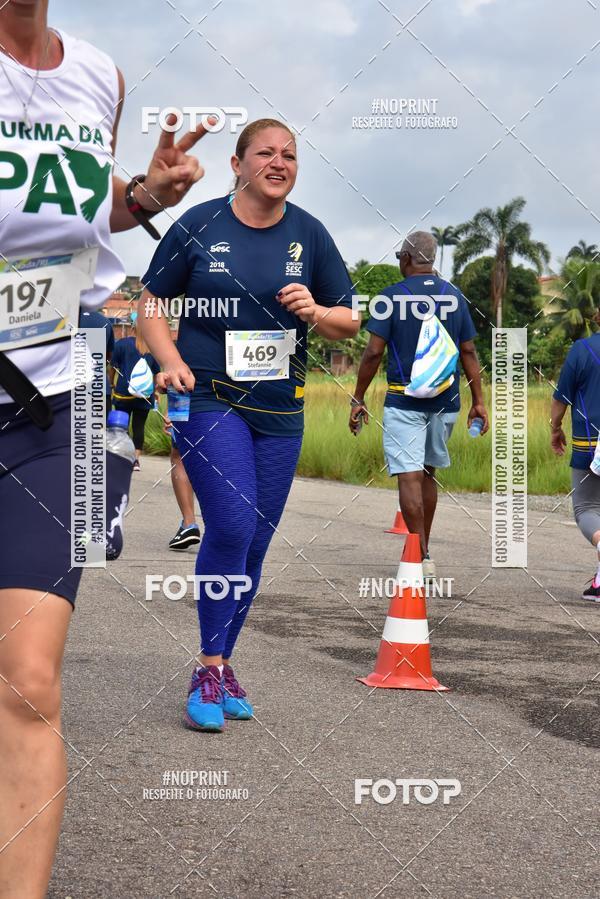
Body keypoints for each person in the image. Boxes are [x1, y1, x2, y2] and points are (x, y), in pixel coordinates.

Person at [0, 3, 210, 895]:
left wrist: (142, 198)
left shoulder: (98, 74)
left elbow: (89, 230)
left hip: (60, 407)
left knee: (28, 680)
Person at [139, 117, 359, 732]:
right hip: (205, 397)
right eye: (265, 152)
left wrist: (316, 310)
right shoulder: (198, 224)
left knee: (256, 542)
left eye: (289, 155)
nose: (279, 162)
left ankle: (223, 661)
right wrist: (171, 360)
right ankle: (208, 668)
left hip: (280, 408)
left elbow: (349, 321)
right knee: (231, 526)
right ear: (238, 164)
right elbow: (150, 305)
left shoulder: (309, 234)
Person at [349, 231, 488, 580]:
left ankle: (420, 553)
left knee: (408, 477)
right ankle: (424, 549)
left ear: (407, 258)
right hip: (447, 401)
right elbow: (469, 352)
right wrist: (479, 403)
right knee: (428, 474)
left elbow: (373, 352)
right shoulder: (454, 296)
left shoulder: (389, 298)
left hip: (403, 399)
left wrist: (358, 396)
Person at [551, 314, 600, 602]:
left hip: (590, 441)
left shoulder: (583, 350)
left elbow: (562, 397)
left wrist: (555, 428)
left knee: (586, 508)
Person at [110, 314, 160, 470]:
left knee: (121, 427)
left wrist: (112, 383)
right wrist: (155, 391)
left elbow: (113, 367)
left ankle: (120, 457)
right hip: (144, 396)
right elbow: (156, 372)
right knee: (139, 427)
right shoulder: (152, 347)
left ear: (131, 326)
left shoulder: (121, 344)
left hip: (122, 394)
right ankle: (135, 461)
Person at [164, 415, 202, 550]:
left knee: (179, 455)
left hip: (192, 402)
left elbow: (178, 393)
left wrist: (172, 411)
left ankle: (189, 523)